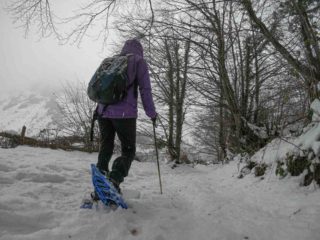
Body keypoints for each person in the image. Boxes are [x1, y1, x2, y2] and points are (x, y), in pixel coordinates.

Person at [95, 38, 157, 194]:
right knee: (128, 151)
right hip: (124, 114)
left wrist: (98, 111)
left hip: (103, 112)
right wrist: (152, 113)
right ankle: (114, 179)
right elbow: (145, 90)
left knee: (106, 146)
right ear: (139, 50)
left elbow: (102, 89)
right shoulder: (138, 62)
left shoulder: (110, 61)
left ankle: (100, 181)